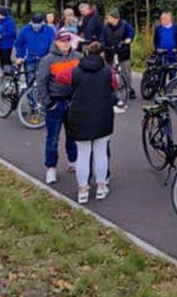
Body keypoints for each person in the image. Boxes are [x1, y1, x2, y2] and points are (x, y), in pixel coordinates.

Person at [66, 41, 119, 204]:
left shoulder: (75, 70)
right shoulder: (107, 71)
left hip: (80, 115)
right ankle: (101, 186)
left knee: (82, 154)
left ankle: (83, 189)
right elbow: (114, 88)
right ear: (102, 54)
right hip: (102, 114)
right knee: (101, 152)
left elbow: (68, 85)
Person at [36, 28, 81, 184]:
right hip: (56, 102)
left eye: (68, 41)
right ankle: (51, 167)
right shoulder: (48, 60)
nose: (66, 44)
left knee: (73, 134)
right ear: (56, 42)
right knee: (53, 137)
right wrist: (48, 102)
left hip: (73, 101)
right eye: (62, 41)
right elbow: (41, 83)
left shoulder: (77, 57)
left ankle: (73, 160)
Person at [101, 8, 135, 103]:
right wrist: (103, 47)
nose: (107, 19)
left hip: (122, 50)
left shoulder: (125, 25)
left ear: (115, 18)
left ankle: (129, 88)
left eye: (109, 17)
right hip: (109, 50)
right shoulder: (105, 27)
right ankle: (109, 89)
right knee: (109, 70)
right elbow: (102, 38)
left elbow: (131, 32)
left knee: (126, 70)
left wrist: (129, 38)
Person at [15, 13, 53, 88]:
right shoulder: (25, 30)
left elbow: (53, 45)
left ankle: (41, 99)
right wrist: (20, 56)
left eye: (38, 26)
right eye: (34, 26)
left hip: (44, 60)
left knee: (43, 82)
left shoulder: (49, 31)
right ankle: (31, 99)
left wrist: (50, 57)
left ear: (43, 23)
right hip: (29, 59)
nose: (36, 28)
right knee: (30, 82)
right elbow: (18, 44)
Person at [0, 6, 17, 70]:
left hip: (7, 44)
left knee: (6, 59)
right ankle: (3, 71)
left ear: (2, 14)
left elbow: (12, 32)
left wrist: (2, 36)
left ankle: (9, 72)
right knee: (1, 58)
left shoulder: (10, 22)